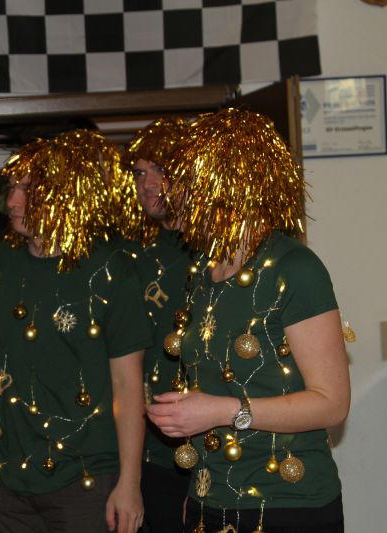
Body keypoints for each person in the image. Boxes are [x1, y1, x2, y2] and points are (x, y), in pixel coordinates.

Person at [147, 108, 350, 532]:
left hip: (287, 506)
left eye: (187, 181)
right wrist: (196, 491)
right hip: (210, 500)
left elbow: (332, 403)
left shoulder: (295, 268)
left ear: (230, 182)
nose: (174, 194)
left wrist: (223, 411)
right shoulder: (202, 270)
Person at [0, 131, 149, 533]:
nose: (13, 201)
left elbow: (127, 383)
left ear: (66, 194)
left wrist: (130, 482)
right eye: (12, 187)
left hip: (87, 480)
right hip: (8, 478)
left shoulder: (112, 269)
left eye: (28, 190)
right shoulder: (0, 262)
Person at [122, 118, 194, 533]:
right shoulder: (132, 257)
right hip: (147, 458)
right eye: (139, 173)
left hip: (214, 458)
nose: (148, 184)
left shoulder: (222, 255)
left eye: (161, 170)